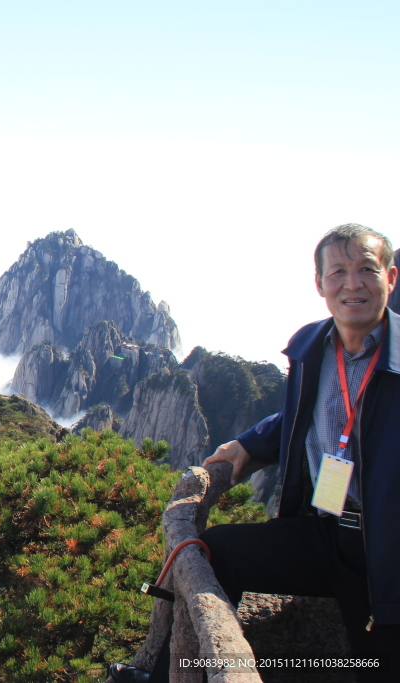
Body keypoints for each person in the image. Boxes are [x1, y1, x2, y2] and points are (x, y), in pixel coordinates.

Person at [113, 224, 400, 683]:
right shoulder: (315, 350)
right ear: (319, 283)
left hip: (389, 550)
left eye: (367, 269)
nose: (352, 283)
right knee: (216, 551)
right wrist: (248, 444)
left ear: (391, 277)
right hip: (330, 533)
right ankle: (166, 674)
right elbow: (299, 415)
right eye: (338, 271)